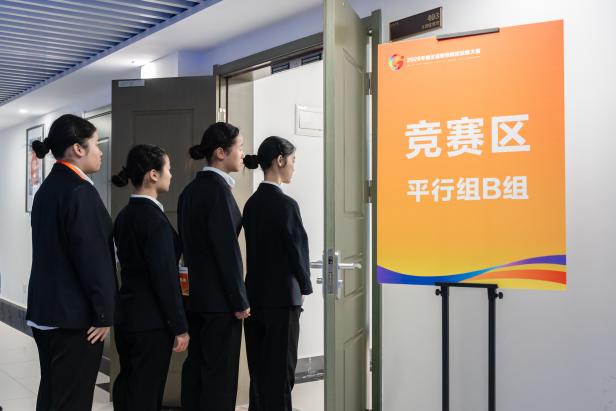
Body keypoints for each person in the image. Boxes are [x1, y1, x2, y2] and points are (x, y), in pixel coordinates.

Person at [27, 114, 117, 411]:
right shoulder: (80, 191)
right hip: (74, 319)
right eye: (95, 144)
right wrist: (103, 313)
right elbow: (92, 257)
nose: (100, 151)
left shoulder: (47, 189)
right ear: (78, 148)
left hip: (45, 312)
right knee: (72, 401)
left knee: (52, 394)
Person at [178, 122, 251, 411]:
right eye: (240, 147)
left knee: (196, 369)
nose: (243, 153)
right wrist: (239, 299)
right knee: (220, 376)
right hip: (220, 302)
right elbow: (226, 252)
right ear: (221, 152)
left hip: (195, 298)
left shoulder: (189, 191)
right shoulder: (218, 192)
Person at [111, 144, 190, 411]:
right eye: (168, 168)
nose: (171, 174)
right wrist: (179, 326)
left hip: (127, 315)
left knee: (129, 385)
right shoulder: (154, 220)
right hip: (152, 322)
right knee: (146, 393)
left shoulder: (124, 216)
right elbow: (164, 279)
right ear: (153, 175)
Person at [242, 136, 313, 411]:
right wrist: (305, 286)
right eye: (293, 160)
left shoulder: (251, 204)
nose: (294, 167)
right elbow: (297, 250)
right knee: (281, 375)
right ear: (280, 160)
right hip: (283, 300)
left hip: (255, 298)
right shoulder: (286, 205)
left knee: (259, 373)